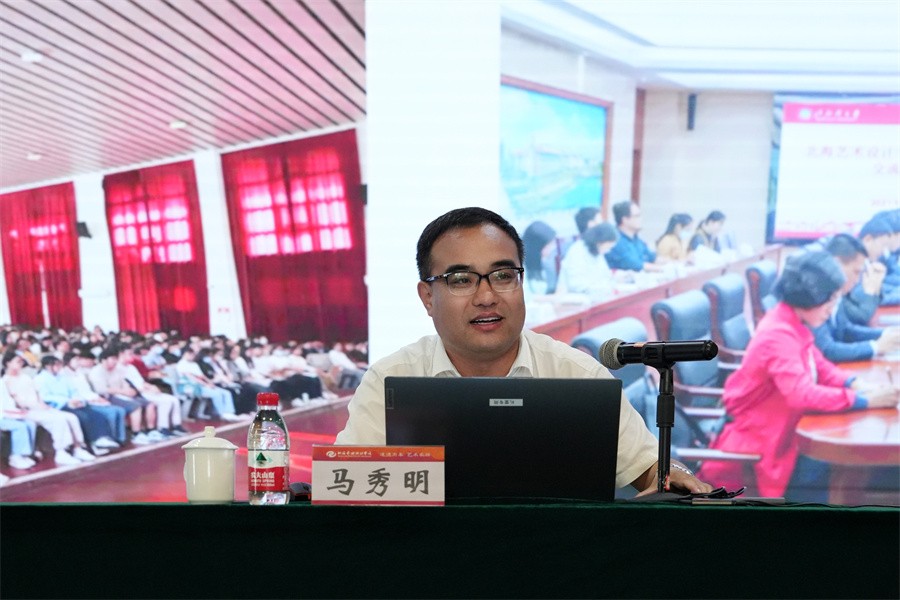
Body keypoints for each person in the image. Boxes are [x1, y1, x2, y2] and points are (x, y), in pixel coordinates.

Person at [335, 207, 712, 495]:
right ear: (427, 297)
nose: (486, 297)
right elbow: (346, 484)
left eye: (503, 276)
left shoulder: (575, 374)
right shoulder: (390, 380)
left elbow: (651, 465)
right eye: (462, 280)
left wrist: (676, 474)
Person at [697, 251, 899, 501]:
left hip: (783, 431)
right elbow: (802, 395)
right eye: (829, 300)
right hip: (761, 447)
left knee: (863, 471)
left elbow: (820, 365)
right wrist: (863, 400)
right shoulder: (778, 334)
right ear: (809, 297)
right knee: (857, 472)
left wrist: (856, 383)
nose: (832, 309)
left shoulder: (791, 320)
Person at [813, 234, 900, 362]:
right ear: (836, 264)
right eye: (856, 272)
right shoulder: (813, 296)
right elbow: (827, 350)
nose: (858, 279)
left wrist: (887, 334)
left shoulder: (835, 291)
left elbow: (846, 330)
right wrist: (876, 347)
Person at [2, 353, 96, 466]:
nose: (20, 364)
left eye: (21, 362)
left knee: (71, 417)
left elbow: (37, 394)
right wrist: (33, 407)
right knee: (57, 420)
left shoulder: (25, 377)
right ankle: (61, 451)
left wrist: (43, 406)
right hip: (27, 411)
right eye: (17, 361)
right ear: (8, 363)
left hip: (39, 407)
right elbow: (15, 400)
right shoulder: (6, 380)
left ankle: (77, 448)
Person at [33, 355, 120, 456]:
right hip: (58, 406)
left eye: (59, 365)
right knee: (83, 417)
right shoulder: (40, 379)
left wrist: (78, 400)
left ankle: (101, 439)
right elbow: (45, 397)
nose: (59, 367)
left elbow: (74, 391)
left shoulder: (63, 377)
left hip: (73, 402)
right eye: (56, 365)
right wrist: (67, 401)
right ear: (48, 366)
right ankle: (91, 444)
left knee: (96, 414)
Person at [556, 222, 618, 297]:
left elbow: (606, 276)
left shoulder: (597, 252)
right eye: (608, 247)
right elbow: (576, 285)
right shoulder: (577, 251)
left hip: (596, 295)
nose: (608, 251)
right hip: (576, 297)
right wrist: (603, 287)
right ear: (599, 243)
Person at [603, 201, 661, 272]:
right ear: (625, 220)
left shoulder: (637, 240)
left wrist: (672, 264)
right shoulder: (615, 241)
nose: (641, 219)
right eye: (637, 216)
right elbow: (636, 265)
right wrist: (663, 269)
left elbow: (652, 258)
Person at [521, 220, 558, 295]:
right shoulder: (520, 266)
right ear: (536, 247)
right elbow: (527, 296)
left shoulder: (547, 261)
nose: (552, 249)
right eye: (548, 246)